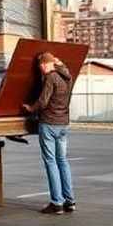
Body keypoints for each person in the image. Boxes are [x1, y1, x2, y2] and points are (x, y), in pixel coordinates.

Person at [26, 52, 75, 215]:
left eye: (42, 65)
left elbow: (43, 101)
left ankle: (56, 202)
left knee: (51, 162)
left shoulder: (50, 77)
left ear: (47, 64)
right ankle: (70, 201)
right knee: (63, 161)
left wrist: (30, 108)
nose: (41, 68)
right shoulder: (68, 77)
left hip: (49, 123)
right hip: (63, 124)